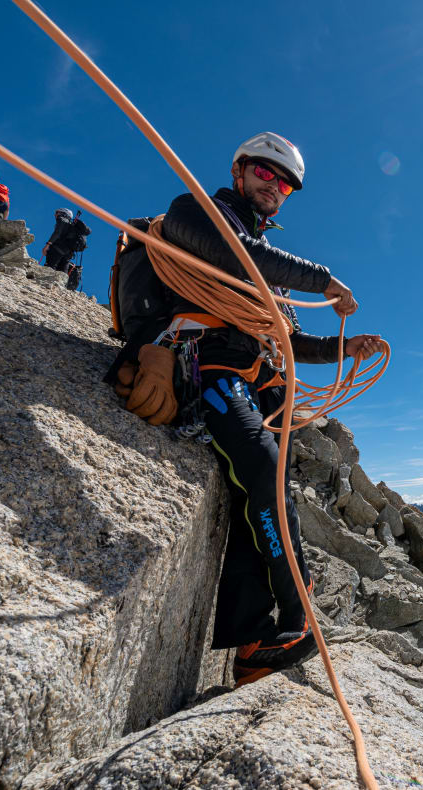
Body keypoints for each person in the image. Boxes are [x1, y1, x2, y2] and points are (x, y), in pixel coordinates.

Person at [158, 132, 383, 687]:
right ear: (239, 171)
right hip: (204, 366)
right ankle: (298, 619)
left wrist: (342, 349)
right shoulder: (194, 213)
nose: (275, 187)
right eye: (266, 173)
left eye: (284, 184)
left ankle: (253, 645)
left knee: (254, 493)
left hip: (247, 378)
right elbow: (242, 256)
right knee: (263, 465)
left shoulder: (270, 285)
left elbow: (289, 342)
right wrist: (323, 279)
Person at [42, 208, 76, 277]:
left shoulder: (61, 219)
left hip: (57, 249)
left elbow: (57, 233)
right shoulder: (72, 225)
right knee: (63, 272)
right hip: (68, 253)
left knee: (49, 269)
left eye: (57, 212)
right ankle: (61, 286)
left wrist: (48, 245)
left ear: (63, 214)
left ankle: (45, 284)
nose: (55, 214)